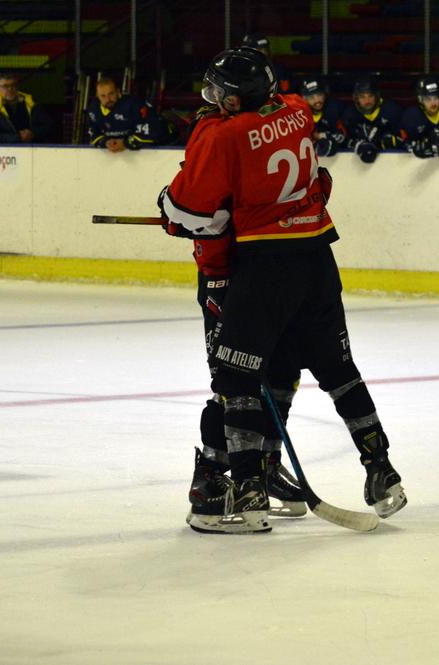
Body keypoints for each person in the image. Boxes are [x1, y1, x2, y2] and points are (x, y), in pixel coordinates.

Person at [157, 47, 407, 534]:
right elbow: (319, 181)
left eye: (219, 93)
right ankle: (380, 469)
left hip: (250, 269)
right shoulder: (295, 110)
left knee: (234, 378)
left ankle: (239, 483)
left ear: (235, 100)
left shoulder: (220, 133)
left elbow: (189, 211)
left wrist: (172, 211)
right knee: (323, 368)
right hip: (314, 255)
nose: (211, 99)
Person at [158, 104, 307, 530]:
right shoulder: (215, 138)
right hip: (227, 284)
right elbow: (187, 207)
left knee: (280, 373)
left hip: (269, 280)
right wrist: (185, 220)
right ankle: (208, 482)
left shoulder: (256, 135)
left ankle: (260, 468)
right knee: (233, 384)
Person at [339, 76, 405, 163]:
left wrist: (388, 140)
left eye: (370, 96)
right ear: (356, 99)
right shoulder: (349, 114)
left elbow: (404, 139)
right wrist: (357, 144)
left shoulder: (392, 110)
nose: (367, 101)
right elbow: (342, 140)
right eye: (362, 97)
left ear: (376, 96)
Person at [85, 77, 161, 151]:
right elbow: (93, 134)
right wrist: (105, 142)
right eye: (103, 96)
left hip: (162, 147)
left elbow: (152, 132)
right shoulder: (93, 109)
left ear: (118, 92)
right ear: (97, 96)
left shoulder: (134, 104)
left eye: (111, 94)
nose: (108, 99)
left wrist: (125, 143)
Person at [0, 73, 52, 143]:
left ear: (18, 86)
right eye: (5, 86)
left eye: (13, 85)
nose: (10, 89)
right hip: (7, 151)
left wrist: (32, 134)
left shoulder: (30, 101)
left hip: (33, 147)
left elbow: (48, 126)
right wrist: (18, 137)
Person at [299, 76, 347, 157]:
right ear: (305, 99)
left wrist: (320, 136)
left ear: (324, 94)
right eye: (311, 97)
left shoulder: (335, 108)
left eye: (319, 95)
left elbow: (342, 135)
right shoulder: (300, 114)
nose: (317, 100)